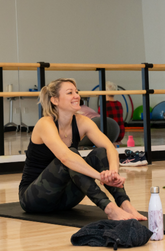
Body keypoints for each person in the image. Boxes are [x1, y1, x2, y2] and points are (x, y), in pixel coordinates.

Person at [19, 78, 146, 221]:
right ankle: (110, 209)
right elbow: (65, 158)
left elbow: (110, 148)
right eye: (69, 93)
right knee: (71, 157)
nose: (76, 96)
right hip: (34, 199)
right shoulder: (45, 124)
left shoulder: (82, 122)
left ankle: (126, 205)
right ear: (55, 100)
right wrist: (100, 176)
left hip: (64, 200)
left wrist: (113, 174)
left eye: (77, 92)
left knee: (101, 153)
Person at [98, 81, 125, 146]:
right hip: (120, 134)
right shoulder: (119, 104)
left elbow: (100, 123)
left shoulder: (103, 105)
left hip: (110, 135)